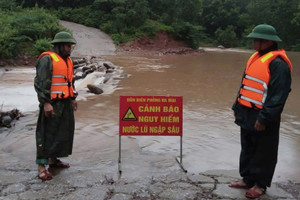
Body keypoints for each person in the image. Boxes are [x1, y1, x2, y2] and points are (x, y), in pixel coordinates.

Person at [230, 24, 292, 199]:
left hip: (263, 115)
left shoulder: (279, 65)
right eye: (254, 39)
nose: (255, 43)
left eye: (259, 40)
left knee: (264, 151)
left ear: (270, 42)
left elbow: (278, 96)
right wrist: (237, 106)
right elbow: (245, 84)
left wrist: (264, 118)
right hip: (247, 112)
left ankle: (260, 185)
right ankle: (247, 179)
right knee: (247, 147)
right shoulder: (255, 58)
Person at [34, 31, 78, 181]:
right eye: (67, 46)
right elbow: (40, 83)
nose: (69, 48)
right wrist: (46, 103)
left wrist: (72, 98)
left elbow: (69, 82)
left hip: (65, 103)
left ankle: (53, 160)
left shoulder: (68, 60)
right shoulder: (47, 59)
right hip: (52, 103)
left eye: (71, 46)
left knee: (63, 132)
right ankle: (41, 167)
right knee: (46, 134)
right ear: (59, 46)